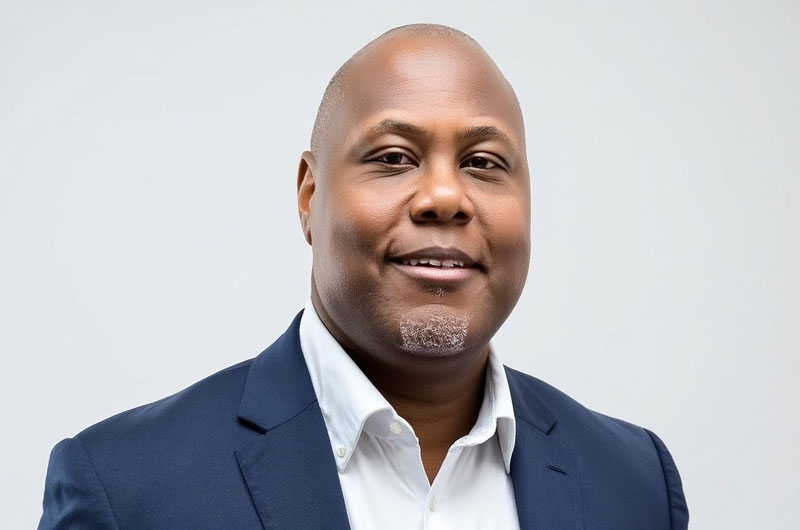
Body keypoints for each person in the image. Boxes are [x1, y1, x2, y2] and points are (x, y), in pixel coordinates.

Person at [38, 23, 689, 530]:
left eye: (484, 163)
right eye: (394, 157)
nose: (445, 196)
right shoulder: (126, 488)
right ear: (309, 195)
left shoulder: (634, 484)